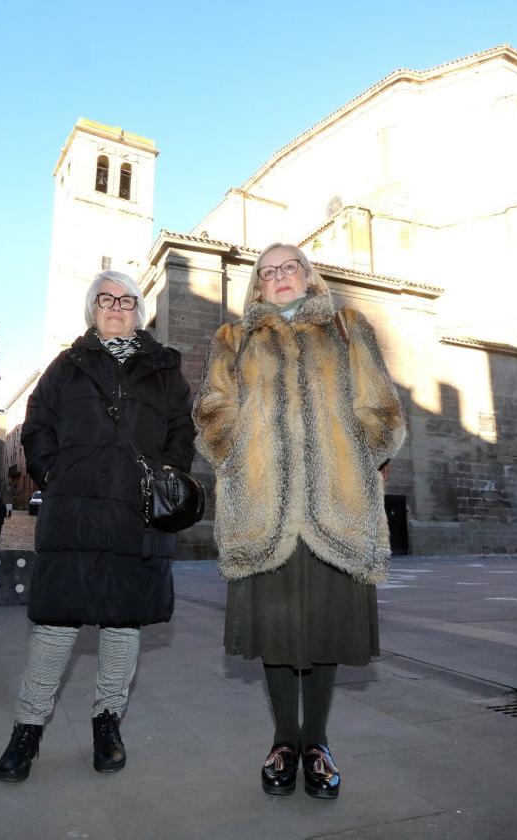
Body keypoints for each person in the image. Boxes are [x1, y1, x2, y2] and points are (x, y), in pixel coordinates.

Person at [193, 243, 405, 800]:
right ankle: (284, 741)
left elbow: (381, 404)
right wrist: (235, 452)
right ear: (257, 287)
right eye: (268, 272)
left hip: (335, 505)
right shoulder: (233, 341)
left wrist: (365, 454)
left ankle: (318, 743)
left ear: (309, 278)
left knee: (325, 628)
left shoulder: (345, 327)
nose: (279, 277)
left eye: (290, 268)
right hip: (263, 508)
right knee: (278, 634)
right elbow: (212, 407)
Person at [0, 270, 195, 782]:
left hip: (136, 512)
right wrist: (52, 469)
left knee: (122, 624)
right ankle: (28, 726)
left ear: (138, 310)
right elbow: (38, 422)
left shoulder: (165, 370)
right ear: (92, 310)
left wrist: (167, 473)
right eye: (105, 299)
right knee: (56, 623)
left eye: (126, 300)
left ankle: (108, 722)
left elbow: (181, 430)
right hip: (75, 511)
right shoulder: (67, 366)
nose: (115, 306)